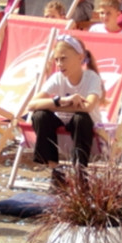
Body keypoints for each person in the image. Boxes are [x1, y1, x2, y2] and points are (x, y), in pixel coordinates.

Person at [27, 35, 103, 168]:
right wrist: (62, 101)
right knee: (40, 115)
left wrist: (55, 106)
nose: (59, 64)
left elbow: (88, 107)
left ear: (80, 57)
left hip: (85, 128)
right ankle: (52, 165)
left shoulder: (92, 77)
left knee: (80, 118)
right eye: (56, 60)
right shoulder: (57, 78)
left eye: (63, 59)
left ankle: (79, 170)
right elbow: (32, 105)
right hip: (62, 122)